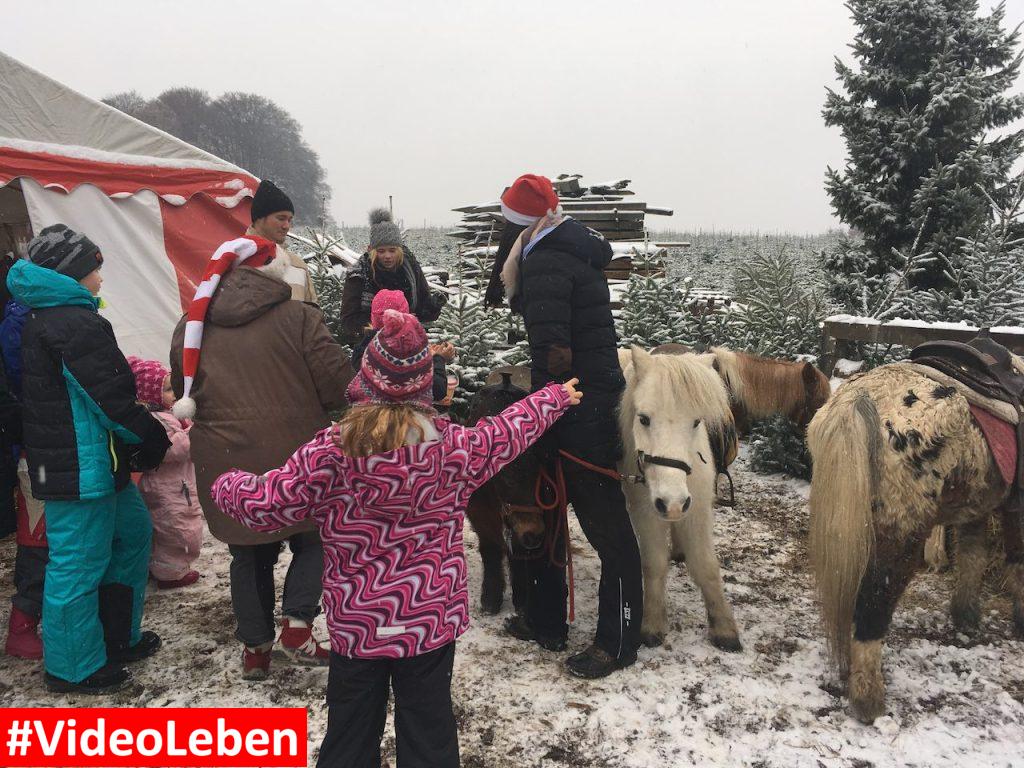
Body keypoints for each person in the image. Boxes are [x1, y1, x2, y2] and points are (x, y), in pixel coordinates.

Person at [212, 309, 580, 768]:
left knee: (349, 733)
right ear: (426, 385)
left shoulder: (331, 452)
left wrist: (226, 481)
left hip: (358, 625)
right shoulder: (454, 449)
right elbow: (506, 432)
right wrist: (553, 398)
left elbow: (267, 506)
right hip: (428, 621)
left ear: (365, 382)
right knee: (429, 732)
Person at [169, 235, 353, 680]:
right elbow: (338, 387)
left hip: (225, 459)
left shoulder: (190, 327)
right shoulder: (301, 319)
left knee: (248, 553)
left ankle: (256, 647)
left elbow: (184, 390)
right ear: (274, 274)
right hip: (298, 457)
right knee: (315, 537)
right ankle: (297, 622)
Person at [7, 224, 171, 693]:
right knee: (76, 564)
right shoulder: (70, 322)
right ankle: (72, 666)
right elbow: (111, 397)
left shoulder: (58, 315)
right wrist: (150, 437)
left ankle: (116, 635)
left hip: (96, 462)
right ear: (74, 272)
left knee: (132, 535)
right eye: (96, 268)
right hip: (77, 469)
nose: (101, 277)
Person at [495, 173, 645, 679]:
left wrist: (552, 402)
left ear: (520, 221)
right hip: (589, 392)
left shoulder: (544, 260)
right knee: (553, 505)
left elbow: (555, 348)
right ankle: (547, 622)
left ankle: (618, 639)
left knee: (605, 524)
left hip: (577, 402)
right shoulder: (567, 244)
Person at [127, 356, 203, 590]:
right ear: (149, 395)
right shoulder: (157, 420)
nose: (174, 395)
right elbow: (175, 449)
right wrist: (195, 433)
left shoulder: (166, 416)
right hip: (169, 487)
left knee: (170, 526)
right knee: (176, 528)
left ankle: (163, 565)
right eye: (168, 390)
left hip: (173, 484)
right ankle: (169, 573)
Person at [1, 296, 47, 660]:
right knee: (37, 537)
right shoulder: (23, 323)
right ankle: (22, 624)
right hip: (36, 449)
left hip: (46, 444)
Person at [339, 208, 447, 344]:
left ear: (400, 249)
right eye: (381, 251)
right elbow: (348, 321)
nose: (387, 256)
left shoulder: (410, 269)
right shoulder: (359, 274)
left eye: (392, 250)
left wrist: (433, 305)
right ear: (370, 250)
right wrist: (389, 324)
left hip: (408, 343)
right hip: (371, 347)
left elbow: (422, 308)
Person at [350, 289, 455, 403]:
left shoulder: (363, 350)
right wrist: (438, 359)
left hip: (370, 417)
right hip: (405, 418)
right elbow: (437, 390)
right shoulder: (403, 353)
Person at [247, 179, 318, 303]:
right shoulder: (235, 259)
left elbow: (313, 316)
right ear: (259, 218)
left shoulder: (298, 265)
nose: (287, 226)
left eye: (289, 220)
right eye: (281, 218)